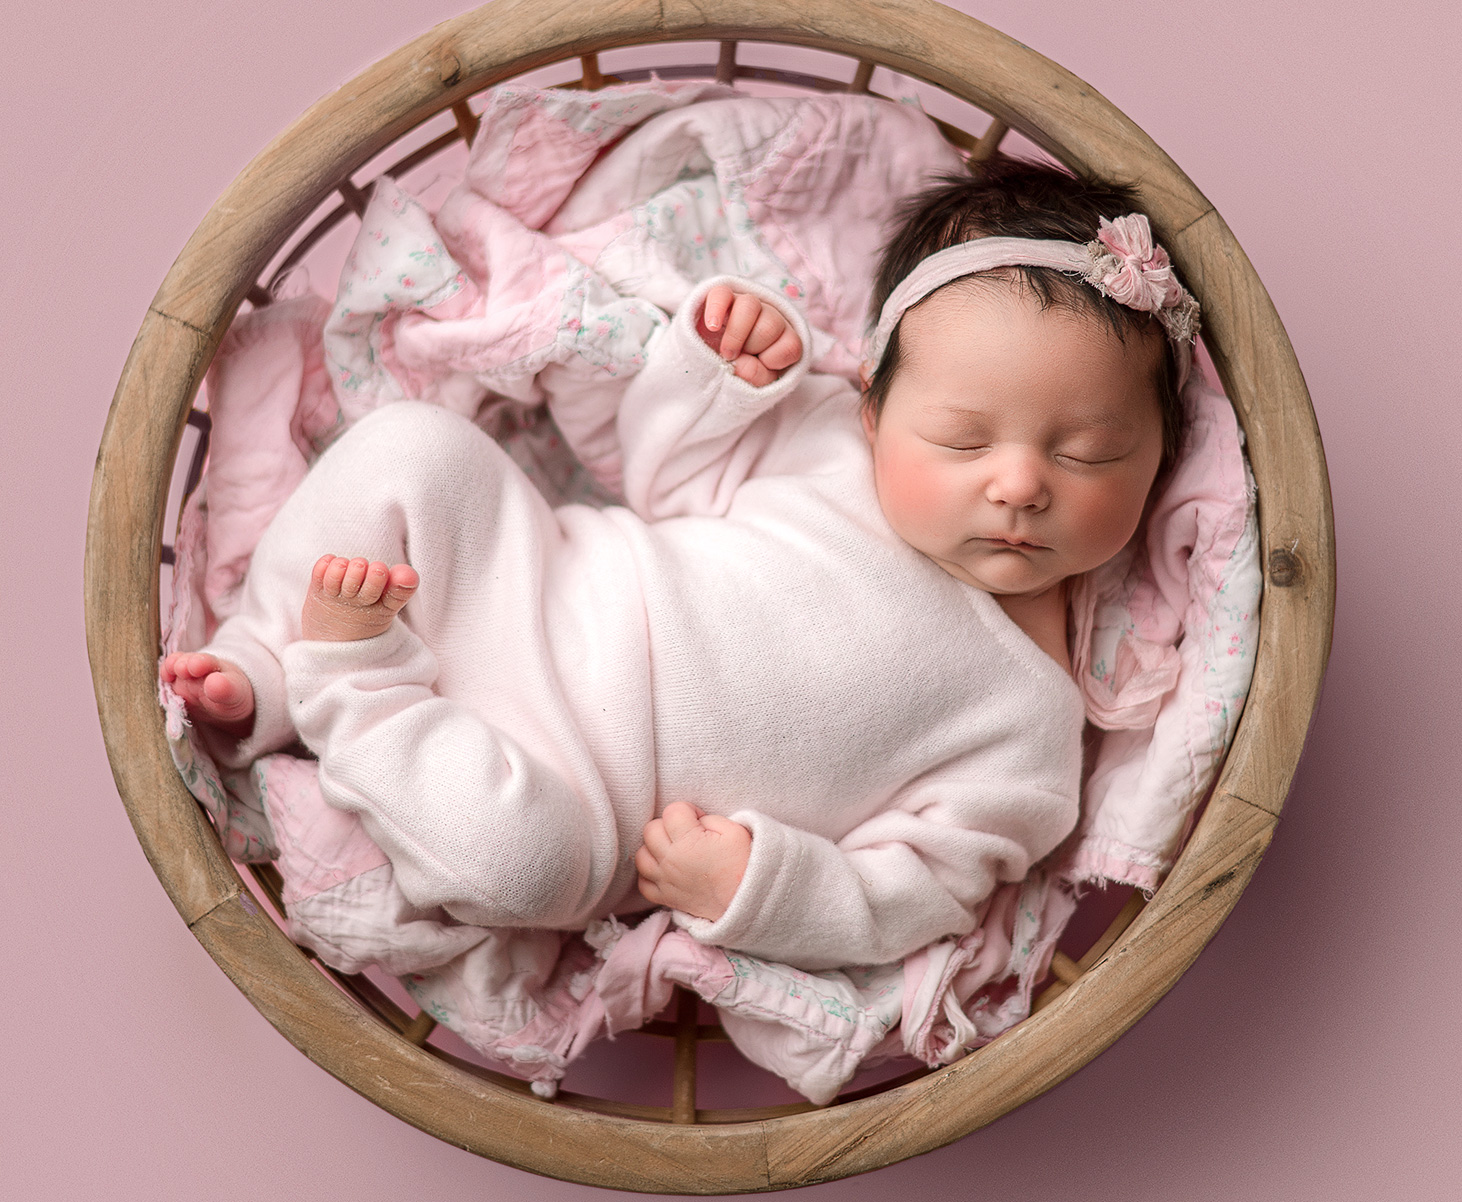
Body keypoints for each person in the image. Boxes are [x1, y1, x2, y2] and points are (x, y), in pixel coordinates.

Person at [161, 160, 1198, 974]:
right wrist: (721, 374)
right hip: (537, 583)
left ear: (1157, 463)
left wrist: (764, 884)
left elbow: (919, 891)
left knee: (515, 866)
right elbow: (667, 476)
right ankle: (263, 661)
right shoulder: (832, 445)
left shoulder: (1031, 728)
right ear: (878, 413)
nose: (1019, 484)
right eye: (963, 441)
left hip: (578, 802)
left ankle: (351, 683)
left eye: (1087, 454)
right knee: (411, 448)